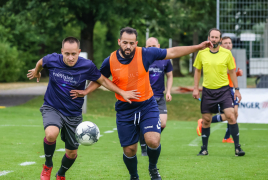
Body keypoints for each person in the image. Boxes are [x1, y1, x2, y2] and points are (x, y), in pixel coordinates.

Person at [70, 27, 212, 180]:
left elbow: (172, 52)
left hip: (147, 105)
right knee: (130, 150)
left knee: (153, 140)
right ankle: (134, 176)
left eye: (131, 43)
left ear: (136, 43)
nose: (128, 46)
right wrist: (85, 91)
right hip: (125, 109)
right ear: (119, 42)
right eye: (125, 42)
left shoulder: (146, 53)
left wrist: (198, 47)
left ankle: (152, 168)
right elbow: (100, 78)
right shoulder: (110, 60)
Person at [27, 37, 140, 180]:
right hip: (52, 106)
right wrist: (37, 70)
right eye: (67, 54)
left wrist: (119, 92)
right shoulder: (52, 59)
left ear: (79, 52)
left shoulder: (87, 66)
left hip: (73, 114)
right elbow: (42, 62)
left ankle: (61, 174)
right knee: (51, 134)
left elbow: (103, 80)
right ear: (62, 51)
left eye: (73, 54)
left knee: (72, 153)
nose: (70, 57)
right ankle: (48, 166)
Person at [193, 28, 245, 157]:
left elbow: (232, 72)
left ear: (220, 40)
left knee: (231, 116)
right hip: (207, 91)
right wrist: (195, 88)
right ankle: (204, 149)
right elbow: (198, 71)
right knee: (206, 120)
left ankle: (238, 148)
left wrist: (237, 90)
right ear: (208, 38)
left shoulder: (226, 54)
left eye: (217, 37)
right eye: (212, 37)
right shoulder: (202, 52)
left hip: (224, 90)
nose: (214, 39)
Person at [139, 37, 173, 156]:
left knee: (163, 123)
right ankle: (144, 147)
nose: (151, 49)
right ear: (145, 47)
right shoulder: (142, 59)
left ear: (158, 46)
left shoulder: (165, 59)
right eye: (149, 47)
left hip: (160, 96)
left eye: (153, 46)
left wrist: (168, 91)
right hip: (145, 97)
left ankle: (150, 137)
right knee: (143, 122)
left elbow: (169, 76)